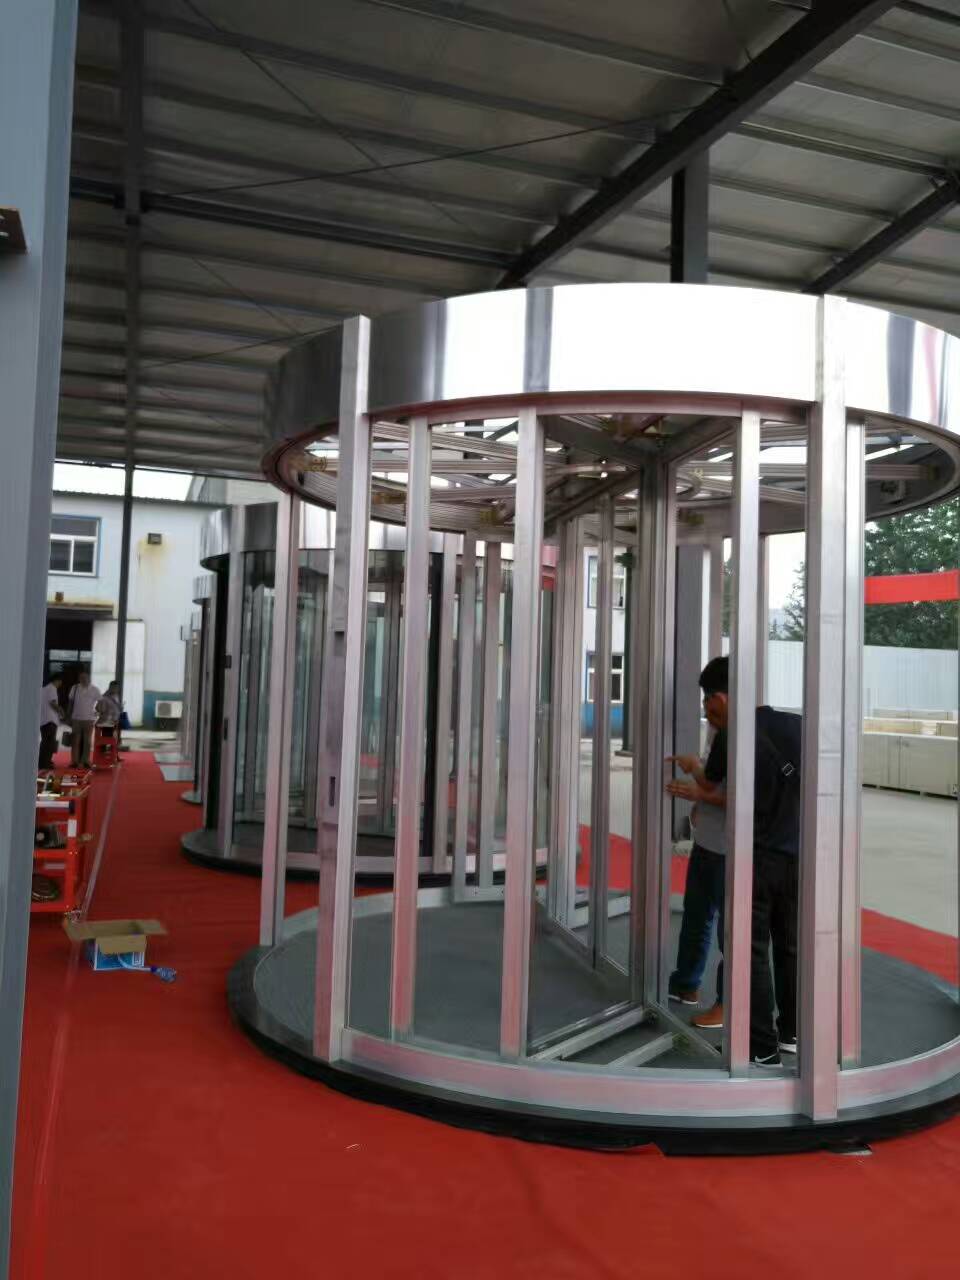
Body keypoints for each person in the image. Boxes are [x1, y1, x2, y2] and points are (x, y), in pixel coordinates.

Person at [666, 656, 802, 1068]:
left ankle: (760, 1047)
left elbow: (713, 784)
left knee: (749, 950)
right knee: (790, 947)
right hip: (797, 855)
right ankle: (792, 1032)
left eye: (708, 699)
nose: (707, 709)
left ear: (722, 697)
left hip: (754, 855)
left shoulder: (732, 734)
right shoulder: (795, 726)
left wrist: (695, 775)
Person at [666, 734, 726, 1030]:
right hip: (707, 842)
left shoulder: (746, 733)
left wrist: (698, 793)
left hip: (730, 849)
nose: (706, 712)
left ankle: (727, 1004)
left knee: (732, 932)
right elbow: (714, 781)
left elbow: (747, 795)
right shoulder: (718, 732)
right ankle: (685, 984)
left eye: (711, 710)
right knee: (696, 917)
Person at [68, 669, 101, 769]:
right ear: (79, 679)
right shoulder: (74, 688)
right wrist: (68, 716)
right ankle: (74, 761)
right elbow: (70, 703)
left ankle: (85, 761)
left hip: (89, 719)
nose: (83, 679)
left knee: (87, 741)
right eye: (81, 677)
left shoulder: (95, 689)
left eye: (85, 677)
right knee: (75, 741)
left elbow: (100, 701)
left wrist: (97, 711)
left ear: (89, 678)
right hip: (76, 718)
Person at [39, 675, 63, 770]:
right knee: (49, 743)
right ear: (57, 680)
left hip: (43, 720)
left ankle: (42, 762)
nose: (60, 684)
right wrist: (61, 711)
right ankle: (46, 763)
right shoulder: (52, 689)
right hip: (50, 720)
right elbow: (53, 703)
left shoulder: (43, 689)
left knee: (45, 742)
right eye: (60, 682)